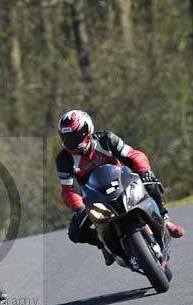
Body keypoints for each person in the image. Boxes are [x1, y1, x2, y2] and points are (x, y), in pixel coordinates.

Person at [55, 109, 185, 265]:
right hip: (94, 198)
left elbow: (134, 155)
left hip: (123, 183)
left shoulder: (106, 139)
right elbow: (68, 190)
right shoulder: (64, 159)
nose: (71, 142)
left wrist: (144, 171)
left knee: (151, 185)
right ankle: (103, 244)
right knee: (76, 233)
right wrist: (79, 208)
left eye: (75, 136)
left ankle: (165, 220)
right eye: (67, 138)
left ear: (87, 130)